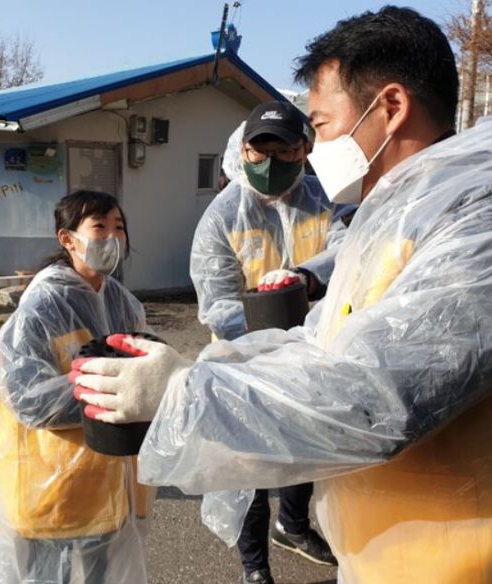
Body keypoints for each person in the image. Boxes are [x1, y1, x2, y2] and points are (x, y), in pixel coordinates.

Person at [73, 6, 492, 583]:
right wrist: (206, 369)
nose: (313, 146)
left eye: (321, 125)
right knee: (255, 481)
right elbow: (324, 341)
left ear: (390, 108)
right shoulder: (398, 209)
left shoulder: (485, 214)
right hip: (391, 545)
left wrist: (186, 393)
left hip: (466, 554)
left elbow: (377, 392)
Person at [190, 102, 336, 584]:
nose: (271, 161)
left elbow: (354, 249)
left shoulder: (329, 199)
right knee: (248, 469)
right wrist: (279, 327)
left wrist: (307, 280)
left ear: (305, 151)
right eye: (260, 150)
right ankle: (255, 567)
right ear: (243, 150)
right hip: (245, 363)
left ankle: (292, 525)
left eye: (285, 149)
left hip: (313, 357)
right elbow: (219, 304)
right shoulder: (222, 216)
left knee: (303, 452)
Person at [0, 190, 153, 584]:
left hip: (110, 485)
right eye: (100, 227)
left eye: (120, 227)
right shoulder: (44, 305)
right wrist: (110, 385)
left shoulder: (125, 304)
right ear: (68, 239)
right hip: (53, 487)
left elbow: (147, 372)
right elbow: (28, 399)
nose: (112, 238)